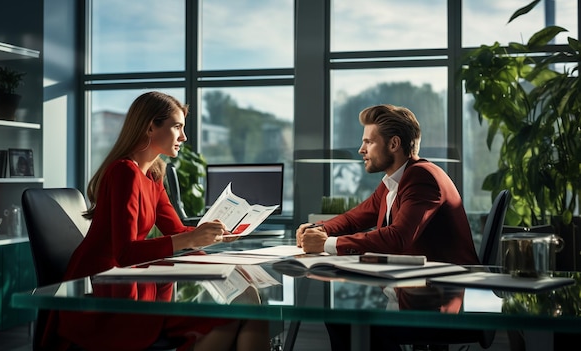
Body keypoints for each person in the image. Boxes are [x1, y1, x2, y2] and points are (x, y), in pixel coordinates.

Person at [41, 91, 269, 351]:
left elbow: (179, 231)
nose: (183, 137)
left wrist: (219, 241)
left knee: (251, 306)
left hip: (133, 288)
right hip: (105, 297)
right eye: (177, 127)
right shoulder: (124, 172)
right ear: (151, 126)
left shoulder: (153, 176)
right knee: (230, 319)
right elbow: (125, 253)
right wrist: (191, 239)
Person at [295, 104, 479, 350]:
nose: (361, 150)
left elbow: (398, 237)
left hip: (435, 297)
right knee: (339, 319)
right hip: (411, 287)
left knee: (345, 320)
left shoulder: (421, 176)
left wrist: (327, 244)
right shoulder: (395, 181)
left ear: (393, 144)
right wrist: (317, 229)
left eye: (368, 142)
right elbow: (356, 217)